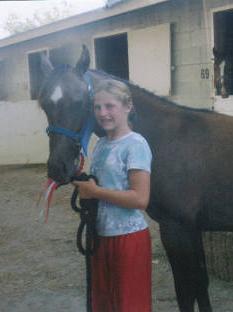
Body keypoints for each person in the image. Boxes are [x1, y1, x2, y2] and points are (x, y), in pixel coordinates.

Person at [72, 79, 152, 312]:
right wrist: (86, 188)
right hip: (101, 236)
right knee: (104, 305)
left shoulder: (136, 144)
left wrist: (96, 191)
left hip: (128, 238)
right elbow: (103, 187)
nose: (102, 113)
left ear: (127, 107)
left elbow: (140, 199)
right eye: (97, 107)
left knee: (128, 305)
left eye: (110, 106)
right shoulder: (101, 145)